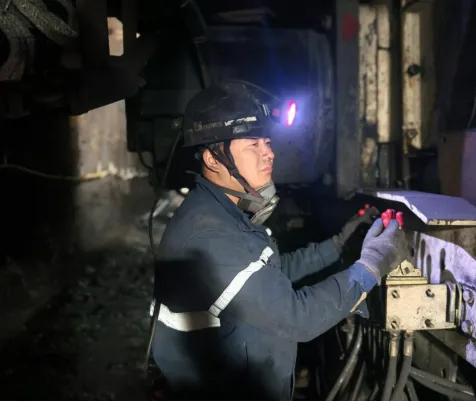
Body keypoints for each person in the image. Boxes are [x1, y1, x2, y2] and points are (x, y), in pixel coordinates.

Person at [151, 81, 409, 400]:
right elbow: (298, 319)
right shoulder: (210, 234)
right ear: (213, 159)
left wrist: (337, 245)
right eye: (253, 144)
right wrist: (371, 266)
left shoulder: (221, 212)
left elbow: (271, 272)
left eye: (268, 142)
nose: (269, 154)